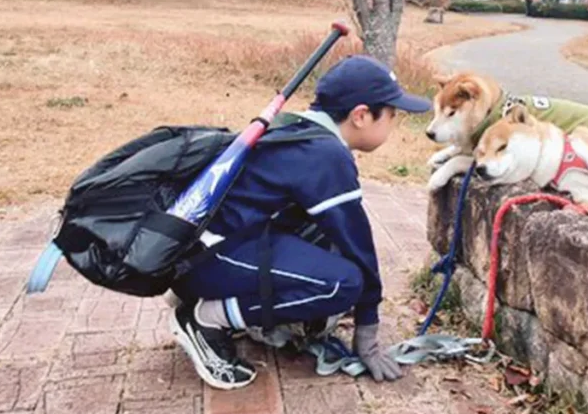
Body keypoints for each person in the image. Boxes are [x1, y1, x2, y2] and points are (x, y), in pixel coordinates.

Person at [169, 54, 432, 390]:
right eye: (392, 114)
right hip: (208, 262)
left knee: (327, 241)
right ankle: (204, 318)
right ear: (361, 116)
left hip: (197, 254)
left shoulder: (298, 128)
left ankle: (214, 299)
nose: (393, 123)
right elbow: (360, 249)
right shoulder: (325, 156)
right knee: (344, 284)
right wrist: (368, 330)